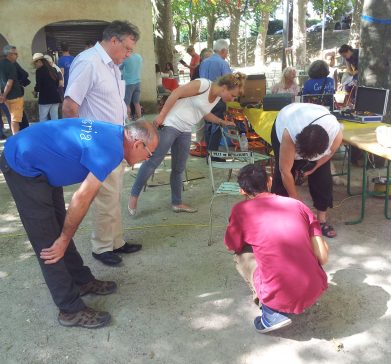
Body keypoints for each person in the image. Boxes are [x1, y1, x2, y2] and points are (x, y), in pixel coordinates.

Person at [0, 118, 158, 329]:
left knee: (59, 231)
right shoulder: (110, 150)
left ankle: (81, 281)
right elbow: (80, 198)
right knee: (50, 244)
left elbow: (87, 194)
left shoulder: (115, 135)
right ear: (138, 144)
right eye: (149, 154)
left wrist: (64, 237)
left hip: (44, 164)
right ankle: (70, 310)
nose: (146, 159)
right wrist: (64, 240)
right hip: (23, 165)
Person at [62, 20, 141, 266]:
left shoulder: (112, 66)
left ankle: (115, 241)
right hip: (97, 144)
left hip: (115, 140)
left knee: (113, 194)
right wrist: (82, 143)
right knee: (104, 197)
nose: (129, 55)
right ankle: (102, 246)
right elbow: (69, 106)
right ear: (113, 40)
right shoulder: (88, 62)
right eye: (127, 48)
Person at [225, 164, 329, 333]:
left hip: (283, 292)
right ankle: (297, 293)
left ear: (242, 191)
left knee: (241, 255)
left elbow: (232, 244)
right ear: (270, 181)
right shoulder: (298, 205)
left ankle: (270, 312)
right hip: (315, 286)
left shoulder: (240, 210)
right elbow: (322, 255)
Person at [128, 72, 245, 216]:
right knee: (153, 162)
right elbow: (176, 93)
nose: (232, 99)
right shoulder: (203, 84)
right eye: (233, 95)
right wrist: (162, 115)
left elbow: (204, 113)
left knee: (179, 168)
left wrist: (222, 122)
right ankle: (133, 197)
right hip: (170, 124)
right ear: (225, 87)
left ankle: (176, 203)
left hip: (185, 129)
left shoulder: (217, 98)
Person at [270, 103, 343, 238]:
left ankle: (321, 220)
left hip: (314, 121)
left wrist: (314, 167)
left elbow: (330, 153)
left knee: (323, 178)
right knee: (283, 178)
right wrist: (297, 201)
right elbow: (284, 171)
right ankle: (282, 219)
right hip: (285, 118)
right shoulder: (289, 134)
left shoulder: (335, 132)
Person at [199, 39, 232, 155]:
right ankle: (213, 154)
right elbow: (229, 82)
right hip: (217, 99)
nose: (227, 54)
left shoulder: (204, 62)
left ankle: (209, 152)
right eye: (227, 51)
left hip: (204, 97)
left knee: (208, 125)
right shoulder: (223, 63)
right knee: (217, 125)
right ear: (223, 50)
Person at [0, 45, 24, 134]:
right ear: (9, 54)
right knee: (15, 120)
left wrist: (2, 95)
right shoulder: (11, 65)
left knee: (12, 118)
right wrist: (4, 95)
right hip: (14, 96)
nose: (17, 56)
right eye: (15, 54)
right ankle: (16, 138)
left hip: (5, 97)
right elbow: (10, 83)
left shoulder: (1, 64)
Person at [32, 53, 61, 121]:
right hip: (55, 96)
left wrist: (35, 91)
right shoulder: (53, 69)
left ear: (39, 61)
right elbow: (57, 83)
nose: (35, 65)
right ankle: (55, 131)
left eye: (35, 63)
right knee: (55, 117)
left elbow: (38, 85)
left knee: (43, 117)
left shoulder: (39, 71)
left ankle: (44, 131)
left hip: (45, 98)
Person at [121, 52, 143, 119]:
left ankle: (128, 120)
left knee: (127, 103)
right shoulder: (139, 56)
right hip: (138, 82)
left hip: (128, 83)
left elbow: (119, 67)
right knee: (137, 103)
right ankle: (140, 119)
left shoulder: (126, 58)